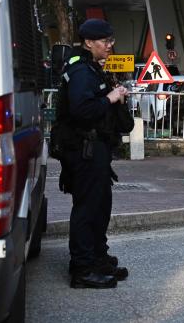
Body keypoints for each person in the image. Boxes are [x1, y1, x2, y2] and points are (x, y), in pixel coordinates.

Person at [55, 19, 131, 288]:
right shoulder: (81, 72)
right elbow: (81, 110)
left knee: (100, 206)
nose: (110, 45)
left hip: (96, 149)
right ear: (89, 42)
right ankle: (83, 269)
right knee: (87, 209)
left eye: (111, 40)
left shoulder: (91, 68)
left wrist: (114, 94)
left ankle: (98, 257)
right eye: (105, 41)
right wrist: (110, 98)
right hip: (84, 150)